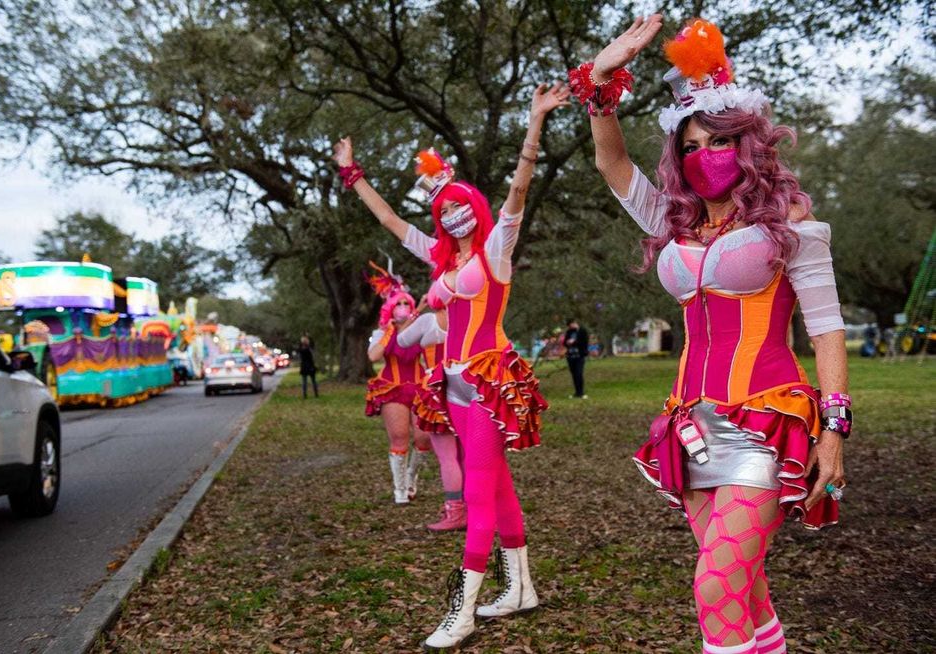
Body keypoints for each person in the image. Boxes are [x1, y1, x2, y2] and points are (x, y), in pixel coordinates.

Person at [576, 16, 850, 654]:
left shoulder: (792, 223)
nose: (704, 156)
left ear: (747, 142)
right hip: (691, 422)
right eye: (690, 146)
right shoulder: (671, 220)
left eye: (717, 142)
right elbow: (609, 158)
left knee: (717, 585)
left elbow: (828, 329)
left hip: (767, 416)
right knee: (745, 589)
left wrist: (834, 432)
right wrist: (601, 76)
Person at [332, 80, 565, 650]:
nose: (456, 213)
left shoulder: (496, 251)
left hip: (488, 378)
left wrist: (534, 123)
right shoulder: (439, 257)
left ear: (476, 207)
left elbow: (519, 188)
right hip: (453, 381)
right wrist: (353, 174)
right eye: (446, 209)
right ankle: (520, 588)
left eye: (463, 204)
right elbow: (389, 222)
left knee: (482, 490)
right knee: (498, 484)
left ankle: (462, 610)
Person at [397, 291, 466, 532]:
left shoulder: (428, 321)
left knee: (447, 456)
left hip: (437, 388)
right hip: (466, 384)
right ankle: (475, 508)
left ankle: (455, 511)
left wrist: (418, 310)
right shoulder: (469, 316)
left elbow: (402, 340)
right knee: (466, 453)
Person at [365, 267, 433, 506]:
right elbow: (373, 357)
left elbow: (429, 356)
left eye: (407, 303)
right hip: (392, 388)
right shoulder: (382, 333)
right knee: (399, 436)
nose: (403, 306)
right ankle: (400, 488)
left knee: (425, 438)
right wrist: (389, 331)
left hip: (419, 386)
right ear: (390, 308)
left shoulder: (420, 329)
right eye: (398, 303)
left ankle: (412, 478)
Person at [563, 318, 589, 398]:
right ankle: (577, 392)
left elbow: (584, 342)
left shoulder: (583, 331)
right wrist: (567, 343)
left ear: (574, 323)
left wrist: (574, 342)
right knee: (574, 374)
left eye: (570, 325)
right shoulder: (569, 332)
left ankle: (581, 392)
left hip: (579, 356)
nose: (570, 327)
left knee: (579, 373)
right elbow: (564, 342)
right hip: (570, 356)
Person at [296, 335, 318, 399]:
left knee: (304, 382)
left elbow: (298, 347)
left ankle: (305, 395)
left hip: (304, 366)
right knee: (313, 381)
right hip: (310, 366)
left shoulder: (301, 349)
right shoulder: (308, 349)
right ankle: (316, 393)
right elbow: (311, 357)